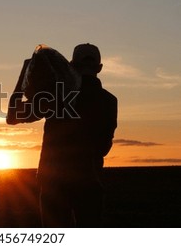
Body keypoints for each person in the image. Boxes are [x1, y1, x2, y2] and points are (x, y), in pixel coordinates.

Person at [7, 43, 117, 227]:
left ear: (71, 65)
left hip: (53, 184)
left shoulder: (55, 94)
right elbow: (104, 148)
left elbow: (12, 117)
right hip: (90, 183)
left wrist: (25, 76)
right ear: (99, 68)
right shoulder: (109, 101)